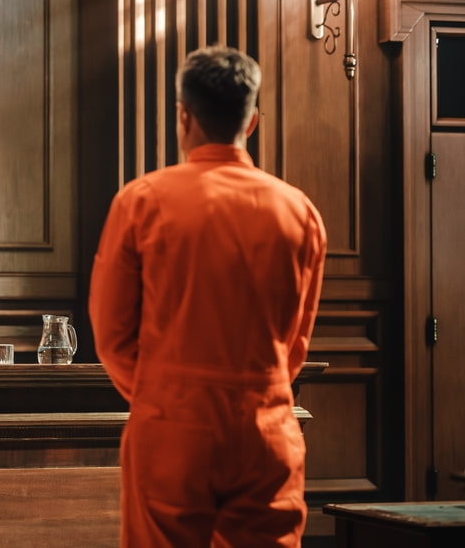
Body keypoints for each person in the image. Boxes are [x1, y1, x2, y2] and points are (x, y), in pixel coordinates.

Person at [88, 45, 327, 548]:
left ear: (183, 115)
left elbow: (111, 335)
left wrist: (165, 395)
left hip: (173, 425)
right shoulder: (299, 211)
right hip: (266, 424)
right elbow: (296, 343)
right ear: (253, 120)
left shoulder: (142, 201)